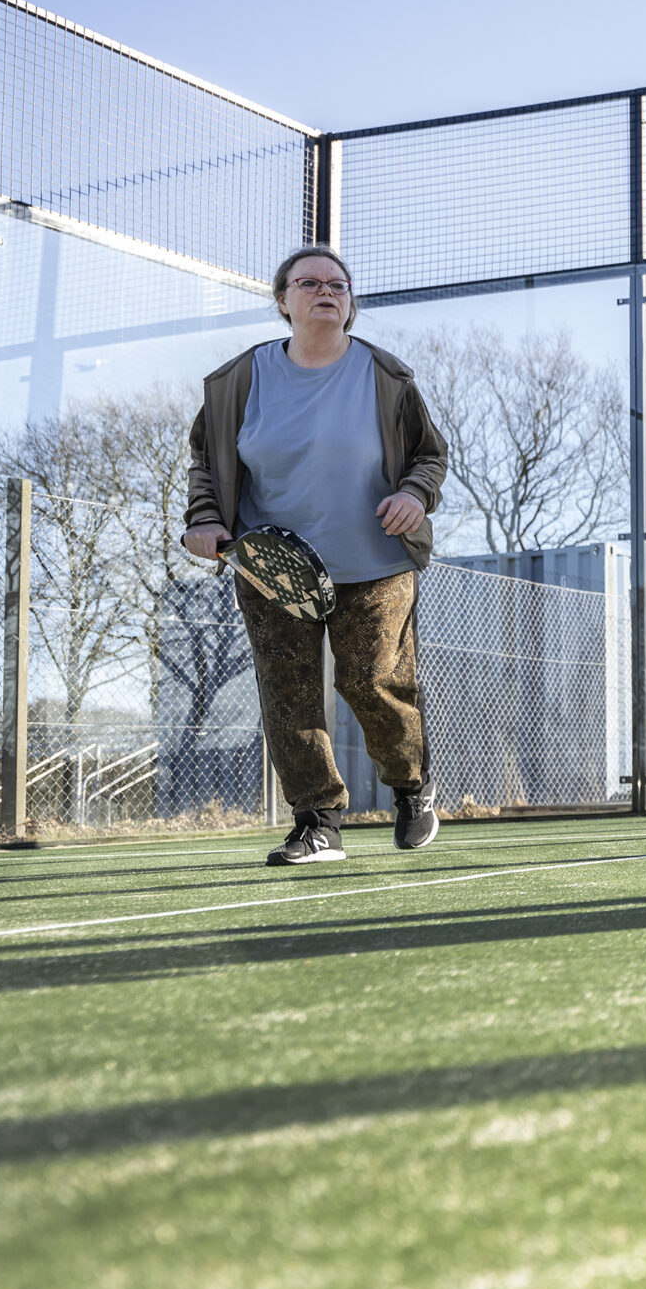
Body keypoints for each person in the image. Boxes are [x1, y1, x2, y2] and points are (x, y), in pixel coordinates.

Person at [182, 244, 450, 865]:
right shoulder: (236, 382)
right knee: (288, 692)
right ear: (283, 301)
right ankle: (318, 821)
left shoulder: (387, 377)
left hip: (376, 561)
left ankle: (411, 787)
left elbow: (428, 456)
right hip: (272, 568)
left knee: (371, 682)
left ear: (350, 302)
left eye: (338, 284)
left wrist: (414, 495)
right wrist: (205, 518)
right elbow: (206, 462)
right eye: (309, 283)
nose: (326, 290)